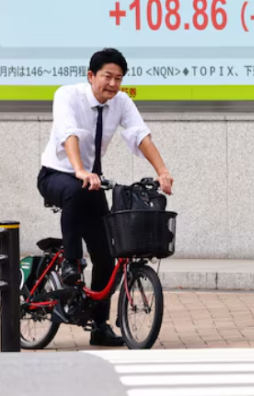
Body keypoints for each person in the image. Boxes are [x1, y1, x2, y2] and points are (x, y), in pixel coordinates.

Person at [37, 48, 174, 347]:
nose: (113, 84)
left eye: (118, 79)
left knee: (106, 256)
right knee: (75, 189)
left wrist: (162, 171)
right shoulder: (67, 95)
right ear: (91, 76)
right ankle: (71, 262)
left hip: (91, 182)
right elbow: (68, 134)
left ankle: (100, 326)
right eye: (107, 77)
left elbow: (140, 134)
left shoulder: (121, 102)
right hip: (56, 175)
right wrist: (79, 170)